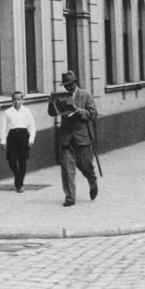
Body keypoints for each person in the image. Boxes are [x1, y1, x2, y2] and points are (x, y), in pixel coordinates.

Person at [48, 70, 98, 207]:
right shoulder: (62, 96)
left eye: (70, 84)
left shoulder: (85, 95)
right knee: (67, 168)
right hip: (66, 137)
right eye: (65, 85)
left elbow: (93, 114)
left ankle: (92, 181)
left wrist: (78, 111)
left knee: (85, 166)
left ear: (75, 82)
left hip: (82, 137)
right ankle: (70, 197)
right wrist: (51, 103)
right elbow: (52, 113)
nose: (67, 87)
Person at [0, 91, 36, 193]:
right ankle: (17, 174)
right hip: (12, 136)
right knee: (11, 159)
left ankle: (19, 183)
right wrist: (3, 141)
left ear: (22, 100)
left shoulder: (27, 111)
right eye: (15, 99)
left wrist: (31, 139)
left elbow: (32, 125)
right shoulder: (8, 112)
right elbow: (4, 127)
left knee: (22, 160)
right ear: (12, 100)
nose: (17, 101)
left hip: (24, 136)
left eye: (19, 99)